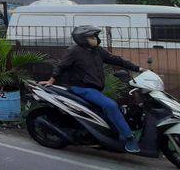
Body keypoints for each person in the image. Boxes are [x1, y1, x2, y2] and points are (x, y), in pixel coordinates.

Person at [40, 25, 144, 153]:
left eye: (95, 36)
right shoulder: (74, 51)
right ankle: (129, 138)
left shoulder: (97, 51)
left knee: (118, 108)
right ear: (82, 38)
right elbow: (61, 66)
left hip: (94, 89)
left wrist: (138, 69)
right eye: (91, 36)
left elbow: (116, 60)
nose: (95, 39)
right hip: (81, 88)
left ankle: (110, 134)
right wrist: (51, 80)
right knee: (110, 106)